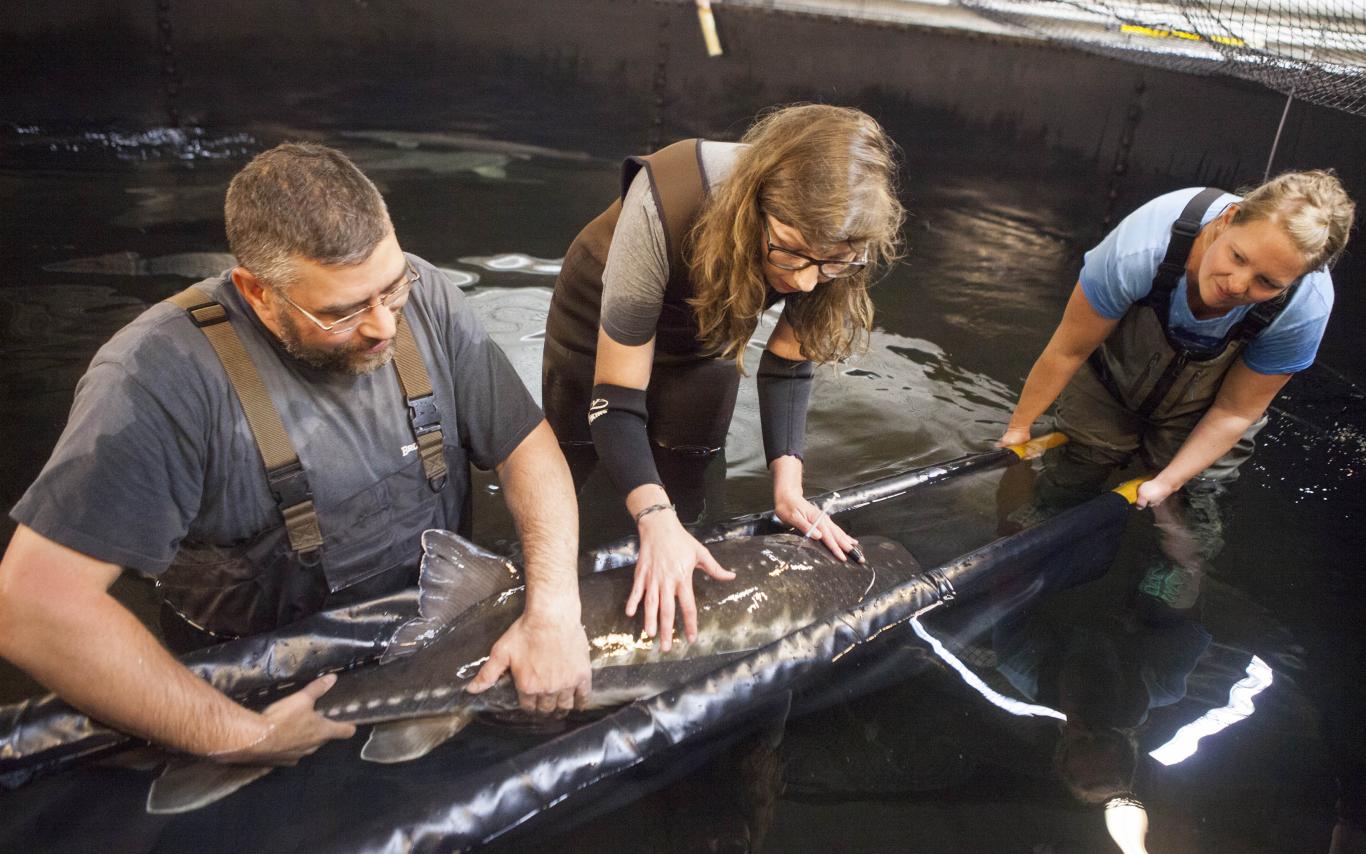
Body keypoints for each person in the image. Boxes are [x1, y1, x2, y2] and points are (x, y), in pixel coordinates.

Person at [0, 143, 591, 768]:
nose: (384, 328)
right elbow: (36, 608)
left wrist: (554, 609)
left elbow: (528, 448)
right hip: (263, 682)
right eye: (341, 311)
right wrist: (236, 736)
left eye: (391, 290)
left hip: (443, 632)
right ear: (257, 291)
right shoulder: (155, 379)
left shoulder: (424, 299)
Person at [542, 104, 905, 651]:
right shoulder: (667, 197)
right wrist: (653, 516)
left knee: (689, 469)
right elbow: (614, 400)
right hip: (599, 314)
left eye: (830, 264)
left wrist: (789, 491)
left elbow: (786, 364)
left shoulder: (843, 238)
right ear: (753, 208)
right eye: (790, 251)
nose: (807, 284)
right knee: (575, 461)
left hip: (711, 321)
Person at [999, 170, 1353, 502]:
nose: (1236, 284)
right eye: (1237, 256)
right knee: (1072, 472)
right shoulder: (1142, 249)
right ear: (1227, 219)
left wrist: (1169, 482)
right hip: (1113, 377)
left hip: (1207, 407)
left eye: (1267, 283)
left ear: (1296, 280)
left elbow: (1233, 412)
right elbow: (1069, 350)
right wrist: (1019, 428)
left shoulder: (1304, 309)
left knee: (1193, 502)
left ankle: (1177, 562)